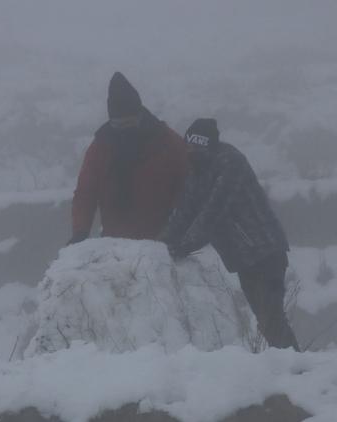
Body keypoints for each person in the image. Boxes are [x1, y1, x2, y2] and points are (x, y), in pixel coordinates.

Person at [160, 118, 298, 350]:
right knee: (269, 324)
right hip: (244, 259)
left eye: (196, 148)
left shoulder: (231, 164)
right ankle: (297, 368)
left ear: (209, 146)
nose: (192, 153)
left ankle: (300, 372)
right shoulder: (197, 173)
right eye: (189, 148)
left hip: (266, 252)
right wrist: (161, 245)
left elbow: (214, 211)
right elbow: (184, 213)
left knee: (271, 322)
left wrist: (182, 246)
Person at [70, 72, 188, 244]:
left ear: (140, 115)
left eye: (129, 123)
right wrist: (80, 232)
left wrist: (176, 222)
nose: (124, 129)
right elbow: (85, 193)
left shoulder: (167, 142)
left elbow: (187, 184)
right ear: (111, 121)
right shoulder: (101, 147)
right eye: (119, 124)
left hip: (162, 241)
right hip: (116, 243)